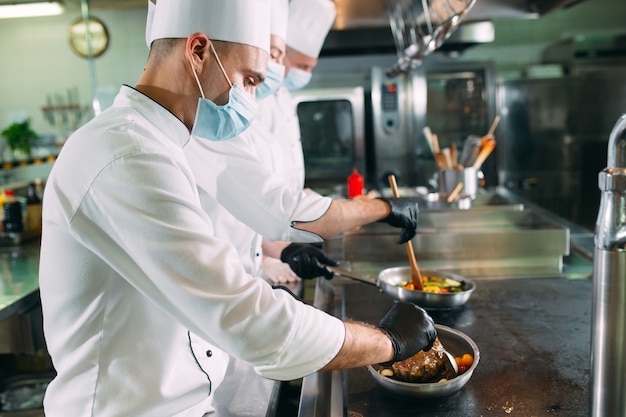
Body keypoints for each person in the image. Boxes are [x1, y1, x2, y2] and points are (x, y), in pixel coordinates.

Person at [38, 1, 437, 416]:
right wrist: (388, 341)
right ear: (198, 51)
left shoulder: (162, 143)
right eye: (248, 80)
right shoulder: (126, 154)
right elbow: (248, 319)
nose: (250, 98)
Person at [185, 0, 422, 284]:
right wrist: (382, 208)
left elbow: (272, 199)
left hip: (245, 270)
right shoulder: (210, 117)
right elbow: (276, 209)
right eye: (273, 55)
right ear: (199, 52)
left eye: (276, 56)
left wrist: (284, 250)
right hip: (221, 278)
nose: (266, 72)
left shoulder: (263, 102)